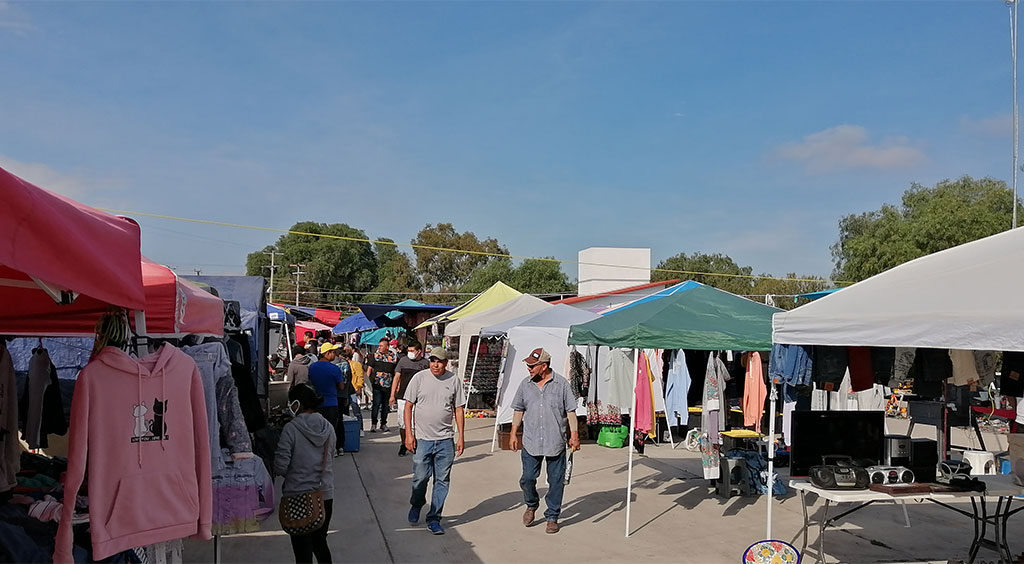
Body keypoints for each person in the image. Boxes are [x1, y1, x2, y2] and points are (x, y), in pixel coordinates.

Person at [509, 348, 580, 534]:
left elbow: (570, 411)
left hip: (555, 441)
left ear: (544, 366)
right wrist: (513, 433)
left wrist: (574, 434)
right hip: (531, 441)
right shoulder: (525, 385)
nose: (529, 369)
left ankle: (552, 516)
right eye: (528, 365)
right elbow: (518, 409)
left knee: (556, 481)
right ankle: (531, 504)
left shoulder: (562, 384)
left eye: (532, 365)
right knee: (527, 479)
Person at [403, 346, 466, 535]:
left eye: (439, 361)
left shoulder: (453, 381)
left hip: (445, 441)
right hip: (423, 440)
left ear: (446, 363)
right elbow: (408, 407)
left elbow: (459, 410)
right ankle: (417, 503)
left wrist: (461, 436)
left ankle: (434, 518)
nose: (435, 364)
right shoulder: (419, 378)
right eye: (432, 361)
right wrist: (409, 434)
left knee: (442, 481)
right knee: (420, 478)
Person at [274, 383, 336, 563]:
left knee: (302, 551)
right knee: (320, 542)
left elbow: (280, 467)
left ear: (297, 404)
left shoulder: (291, 429)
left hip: (297, 496)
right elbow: (330, 456)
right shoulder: (328, 427)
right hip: (324, 494)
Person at [308, 343, 346, 457]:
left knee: (317, 429)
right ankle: (331, 450)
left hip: (316, 403)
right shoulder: (334, 369)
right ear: (327, 353)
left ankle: (318, 450)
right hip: (331, 403)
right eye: (333, 352)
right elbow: (341, 386)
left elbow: (310, 382)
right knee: (331, 429)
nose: (335, 354)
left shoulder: (312, 367)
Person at [392, 341, 429, 456]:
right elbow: (397, 377)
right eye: (409, 350)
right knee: (403, 423)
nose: (410, 353)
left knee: (417, 423)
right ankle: (403, 443)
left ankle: (416, 443)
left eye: (412, 351)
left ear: (419, 352)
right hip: (403, 396)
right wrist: (392, 394)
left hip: (419, 398)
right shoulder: (403, 361)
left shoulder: (425, 363)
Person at [366, 338, 397, 432]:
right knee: (376, 404)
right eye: (378, 346)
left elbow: (396, 372)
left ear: (387, 347)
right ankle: (374, 424)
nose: (379, 347)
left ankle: (383, 423)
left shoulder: (393, 357)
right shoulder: (374, 356)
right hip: (377, 385)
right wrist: (367, 384)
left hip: (388, 385)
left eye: (381, 346)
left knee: (385, 405)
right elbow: (369, 369)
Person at [343, 346, 365, 436]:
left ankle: (360, 428)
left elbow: (360, 376)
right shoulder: (342, 366)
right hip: (345, 391)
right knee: (345, 411)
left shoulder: (356, 365)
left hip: (354, 390)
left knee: (356, 411)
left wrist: (359, 388)